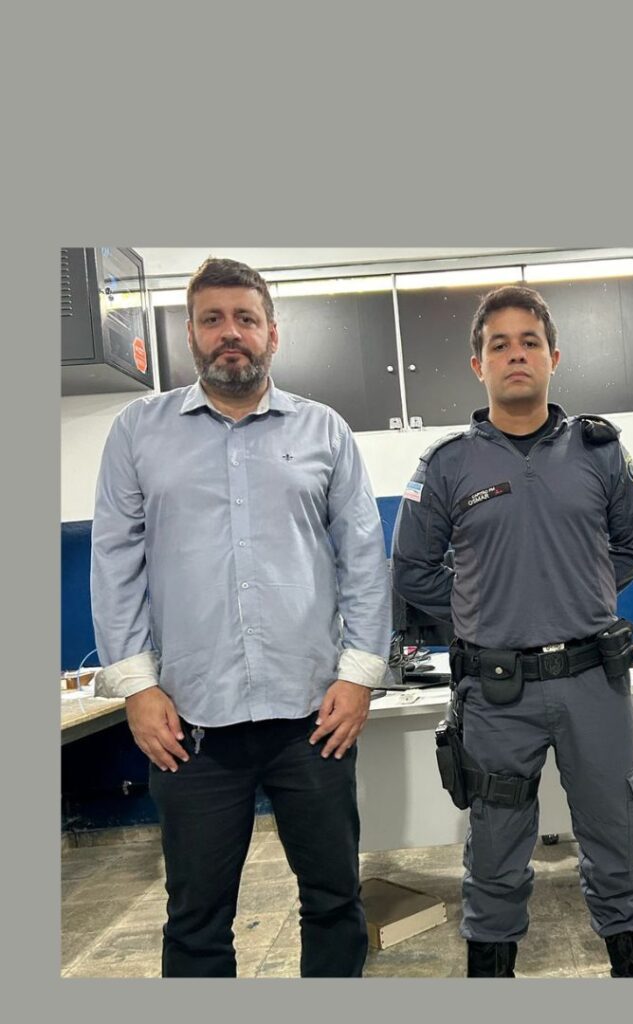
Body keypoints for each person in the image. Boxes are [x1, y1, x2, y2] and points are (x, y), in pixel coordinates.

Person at [90, 257, 392, 977]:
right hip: (190, 725)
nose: (231, 333)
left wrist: (359, 676)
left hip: (312, 718)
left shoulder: (324, 431)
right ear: (190, 335)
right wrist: (137, 688)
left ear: (271, 334)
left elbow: (363, 559)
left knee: (334, 899)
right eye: (213, 319)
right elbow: (114, 563)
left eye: (246, 319)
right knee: (196, 917)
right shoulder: (138, 433)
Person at [391, 285, 633, 978]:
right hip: (496, 693)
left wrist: (582, 589)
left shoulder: (600, 452)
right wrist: (481, 610)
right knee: (495, 852)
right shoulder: (448, 464)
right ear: (477, 364)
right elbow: (413, 569)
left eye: (530, 342)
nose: (516, 355)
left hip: (593, 684)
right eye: (499, 344)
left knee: (617, 839)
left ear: (553, 357)